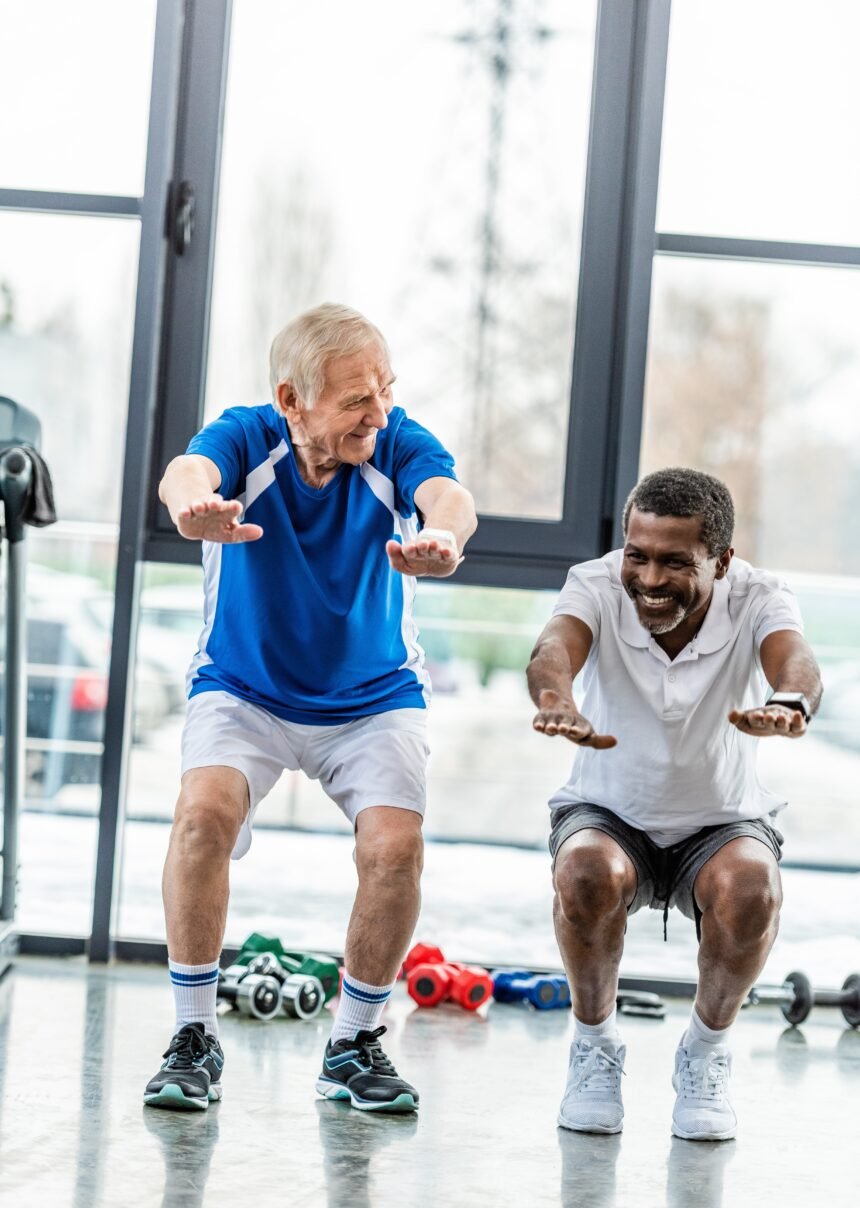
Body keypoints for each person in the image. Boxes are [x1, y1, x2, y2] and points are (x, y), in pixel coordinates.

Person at [144, 303, 477, 1114]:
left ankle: (355, 1044)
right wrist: (192, 508)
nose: (381, 412)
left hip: (371, 696)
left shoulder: (394, 444)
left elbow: (448, 494)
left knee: (396, 847)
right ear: (292, 400)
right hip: (244, 687)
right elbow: (185, 473)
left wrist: (444, 538)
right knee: (201, 818)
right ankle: (193, 1035)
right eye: (358, 398)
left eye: (387, 390)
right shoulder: (248, 435)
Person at [527, 467, 821, 1141]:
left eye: (674, 561)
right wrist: (556, 699)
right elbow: (552, 651)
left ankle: (706, 1052)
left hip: (720, 820)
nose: (650, 579)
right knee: (584, 871)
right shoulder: (596, 583)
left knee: (753, 887)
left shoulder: (760, 595)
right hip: (608, 811)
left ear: (722, 560)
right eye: (638, 554)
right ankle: (594, 1047)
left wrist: (788, 702)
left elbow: (796, 660)